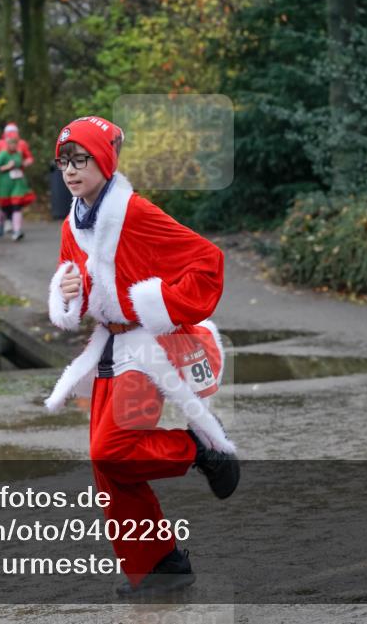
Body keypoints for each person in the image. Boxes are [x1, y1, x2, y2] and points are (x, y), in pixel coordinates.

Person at [43, 115, 238, 598]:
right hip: (110, 345)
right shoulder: (73, 222)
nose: (71, 170)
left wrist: (155, 305)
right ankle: (159, 564)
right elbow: (77, 286)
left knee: (112, 449)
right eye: (64, 161)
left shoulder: (136, 213)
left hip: (148, 348)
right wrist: (68, 293)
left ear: (104, 162)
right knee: (108, 469)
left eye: (81, 159)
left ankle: (201, 450)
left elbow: (207, 262)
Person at [0, 133, 36, 240]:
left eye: (15, 144)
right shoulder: (2, 154)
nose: (13, 146)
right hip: (5, 184)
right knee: (5, 208)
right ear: (7, 144)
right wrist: (7, 166)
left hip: (17, 183)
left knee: (17, 206)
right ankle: (0, 223)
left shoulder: (18, 154)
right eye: (11, 143)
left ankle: (17, 231)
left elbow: (21, 165)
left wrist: (25, 163)